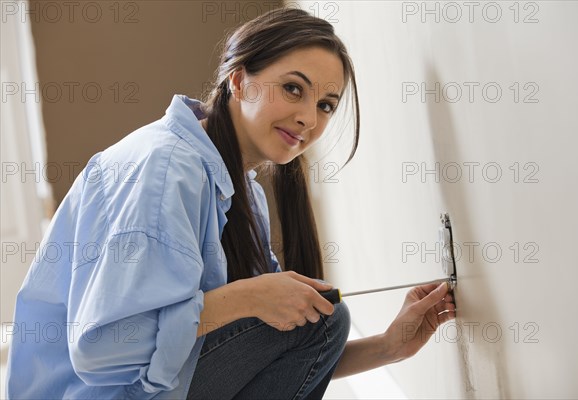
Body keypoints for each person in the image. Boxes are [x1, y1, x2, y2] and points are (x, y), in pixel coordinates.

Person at [5, 7, 456, 399]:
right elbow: (100, 348)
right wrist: (244, 298)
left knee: (320, 317)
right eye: (294, 89)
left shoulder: (241, 192)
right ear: (239, 81)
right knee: (327, 318)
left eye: (325, 105)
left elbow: (275, 351)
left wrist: (386, 347)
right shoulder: (164, 171)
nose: (308, 117)